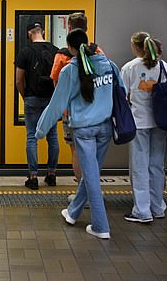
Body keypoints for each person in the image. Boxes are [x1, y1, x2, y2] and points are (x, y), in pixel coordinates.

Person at [37, 28, 122, 239]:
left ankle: (101, 226)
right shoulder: (109, 65)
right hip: (105, 128)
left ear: (71, 48)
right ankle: (73, 212)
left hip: (84, 130)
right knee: (91, 174)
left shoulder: (70, 71)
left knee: (91, 177)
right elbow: (122, 92)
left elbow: (56, 105)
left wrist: (40, 130)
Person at [121, 32, 167, 223]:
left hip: (139, 123)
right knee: (157, 165)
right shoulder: (166, 67)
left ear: (135, 47)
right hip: (162, 123)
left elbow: (122, 95)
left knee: (139, 166)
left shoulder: (130, 67)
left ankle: (142, 211)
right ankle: (157, 207)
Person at [50, 12, 102, 200]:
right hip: (96, 111)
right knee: (93, 152)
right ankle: (93, 192)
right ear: (86, 29)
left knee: (77, 151)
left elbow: (57, 87)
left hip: (72, 113)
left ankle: (82, 194)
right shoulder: (98, 52)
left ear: (69, 28)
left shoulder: (62, 57)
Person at [15, 21, 59, 189]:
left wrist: (25, 96)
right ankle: (52, 174)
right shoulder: (55, 50)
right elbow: (58, 78)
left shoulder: (25, 52)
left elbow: (19, 80)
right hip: (50, 99)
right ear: (43, 32)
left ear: (29, 33)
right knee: (52, 136)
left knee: (32, 136)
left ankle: (33, 177)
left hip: (32, 98)